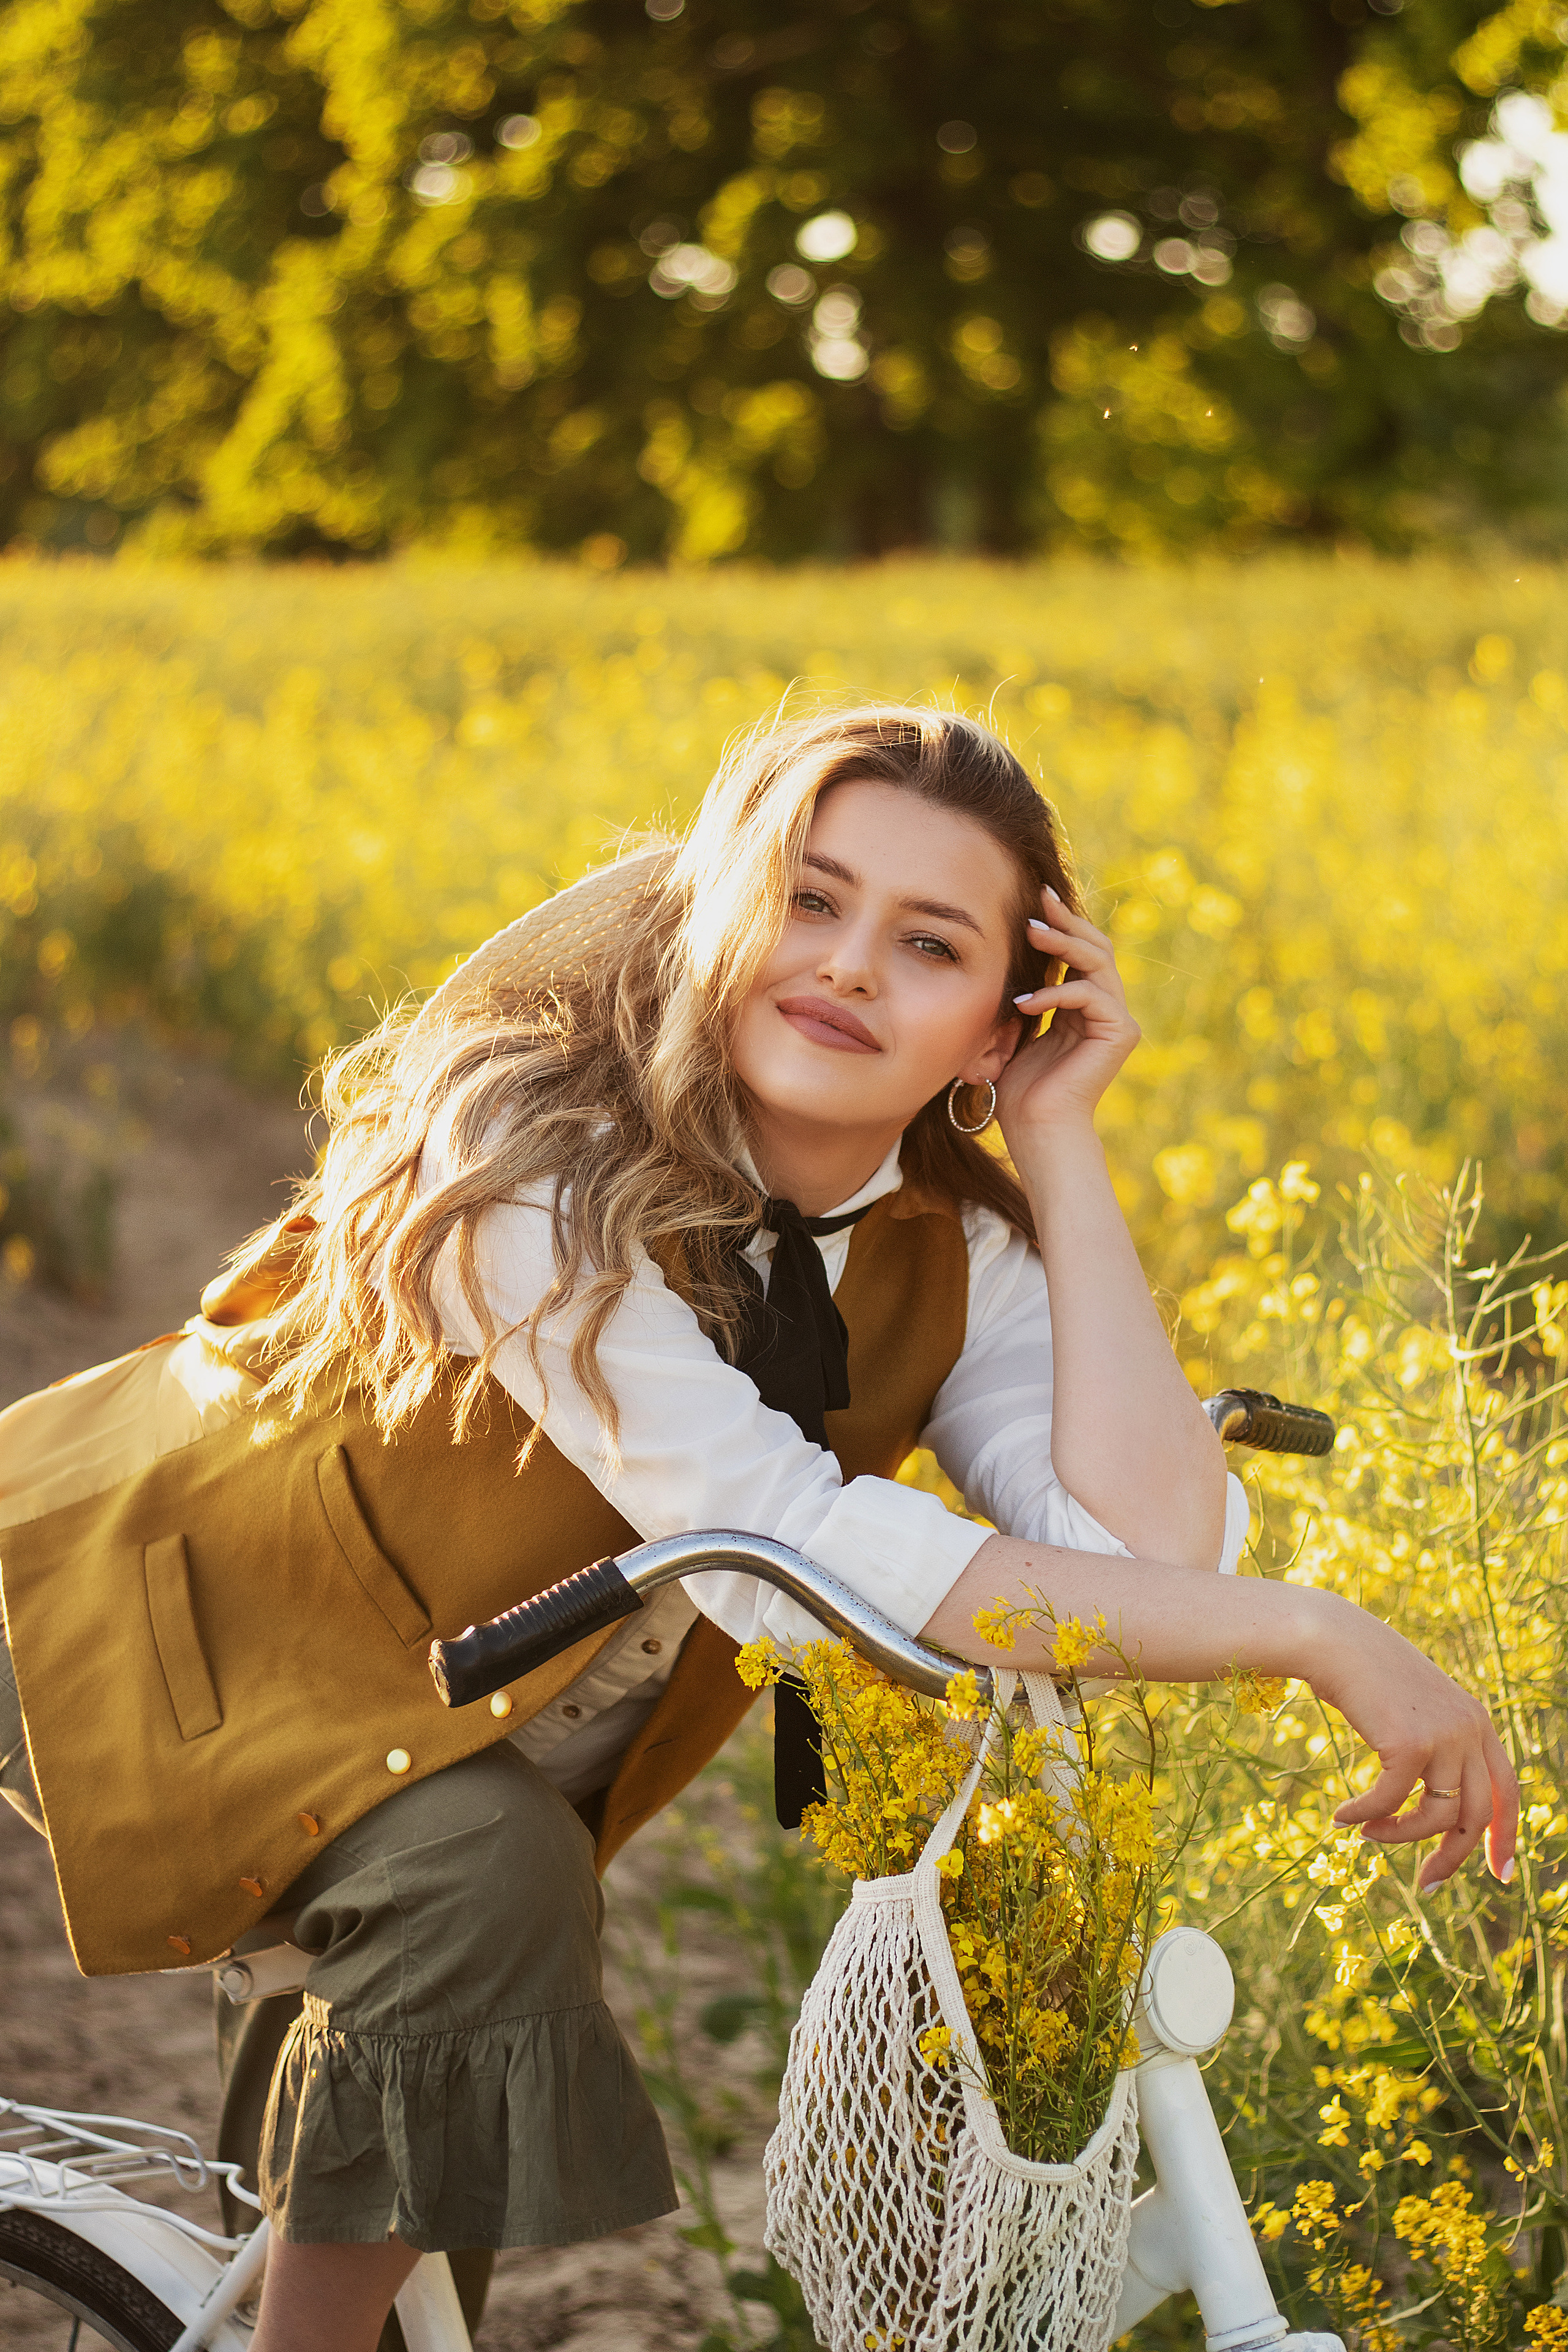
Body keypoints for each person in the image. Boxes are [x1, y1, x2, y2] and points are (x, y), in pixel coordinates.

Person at [0, 706, 1517, 2352]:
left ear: (1007, 1020)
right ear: (721, 905)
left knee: (435, 2165)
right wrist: (1314, 1632)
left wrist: (1062, 1144)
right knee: (486, 1887)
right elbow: (783, 1549)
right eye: (809, 898)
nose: (850, 966)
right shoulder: (530, 1154)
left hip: (446, 1721)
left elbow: (1149, 1571)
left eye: (929, 944)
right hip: (172, 1625)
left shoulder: (949, 1250)